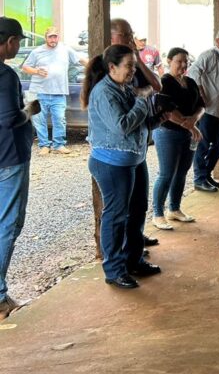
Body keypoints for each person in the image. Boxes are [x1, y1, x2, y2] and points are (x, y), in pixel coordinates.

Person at [83, 44, 170, 290]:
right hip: (111, 163)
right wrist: (143, 103)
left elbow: (136, 124)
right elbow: (121, 126)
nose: (133, 70)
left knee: (138, 209)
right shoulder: (104, 93)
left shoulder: (123, 88)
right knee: (117, 215)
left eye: (134, 65)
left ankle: (133, 260)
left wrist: (157, 119)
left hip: (133, 158)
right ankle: (114, 269)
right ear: (112, 67)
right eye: (129, 66)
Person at [0, 17, 40, 319]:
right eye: (18, 42)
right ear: (10, 41)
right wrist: (30, 108)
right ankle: (0, 297)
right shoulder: (6, 75)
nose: (18, 47)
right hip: (9, 157)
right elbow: (11, 119)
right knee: (9, 224)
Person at [151, 48, 204, 231]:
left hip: (187, 133)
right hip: (167, 132)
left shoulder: (190, 82)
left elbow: (201, 106)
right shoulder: (164, 81)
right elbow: (167, 109)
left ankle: (174, 209)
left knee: (181, 172)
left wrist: (194, 120)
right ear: (169, 61)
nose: (183, 65)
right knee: (166, 173)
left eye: (186, 61)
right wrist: (189, 124)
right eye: (179, 61)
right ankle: (157, 213)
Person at [20, 26, 87, 156]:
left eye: (55, 36)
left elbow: (81, 60)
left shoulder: (65, 49)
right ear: (46, 38)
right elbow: (25, 67)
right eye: (50, 36)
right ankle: (44, 145)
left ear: (58, 37)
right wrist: (36, 71)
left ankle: (59, 145)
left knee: (60, 119)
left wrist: (97, 67)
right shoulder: (37, 51)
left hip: (59, 92)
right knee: (40, 120)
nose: (53, 39)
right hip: (39, 91)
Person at [189, 29, 219, 192]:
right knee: (202, 145)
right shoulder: (209, 54)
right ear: (218, 41)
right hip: (206, 111)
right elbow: (194, 72)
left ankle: (206, 174)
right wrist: (201, 94)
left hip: (216, 110)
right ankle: (199, 178)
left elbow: (218, 83)